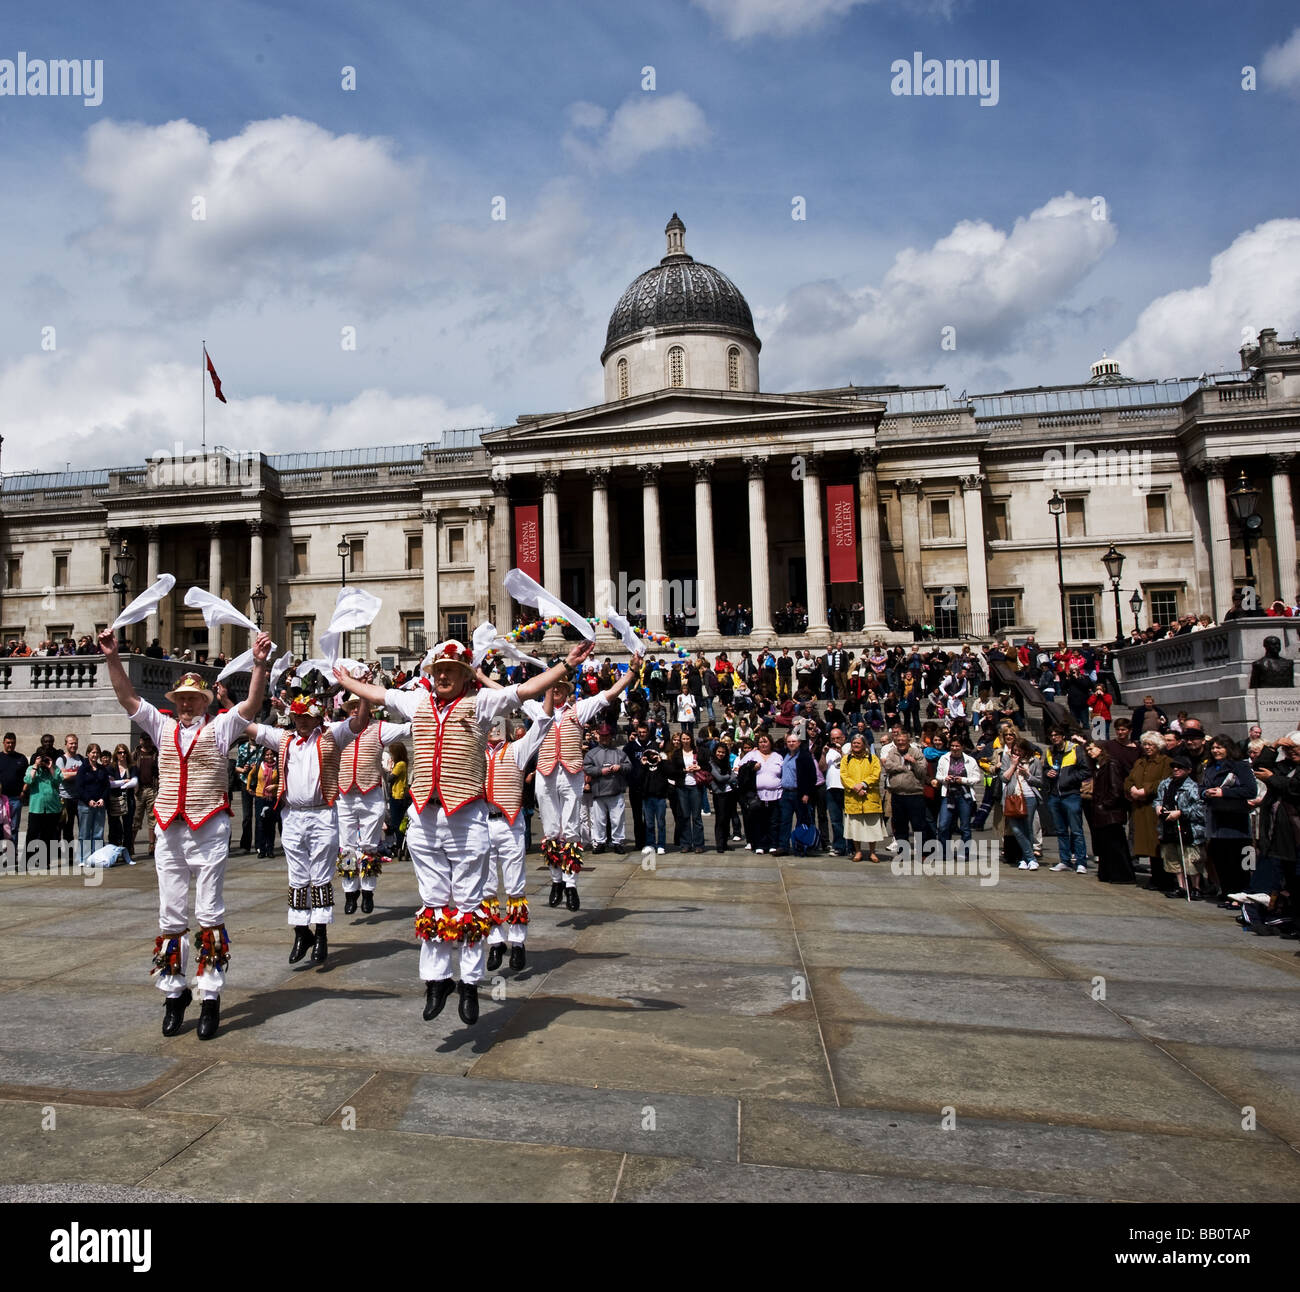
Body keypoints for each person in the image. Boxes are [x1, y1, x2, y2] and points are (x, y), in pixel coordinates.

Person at [336, 639, 593, 1026]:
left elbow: (523, 691)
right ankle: (437, 980)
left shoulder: (480, 705)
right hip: (424, 815)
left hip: (466, 816)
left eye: (451, 671)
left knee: (470, 902)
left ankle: (470, 983)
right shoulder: (417, 704)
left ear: (464, 676)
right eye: (439, 670)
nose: (442, 675)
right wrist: (348, 682)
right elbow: (380, 693)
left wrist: (564, 667)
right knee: (434, 899)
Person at [98, 626, 272, 1042]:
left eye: (194, 698)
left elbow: (251, 703)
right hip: (169, 829)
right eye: (182, 699)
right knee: (170, 912)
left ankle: (209, 996)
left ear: (205, 701)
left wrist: (260, 665)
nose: (188, 703)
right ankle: (174, 994)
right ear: (174, 703)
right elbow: (126, 698)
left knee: (210, 912)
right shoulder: (161, 727)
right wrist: (112, 657)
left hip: (209, 826)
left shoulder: (222, 727)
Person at [245, 687, 371, 966]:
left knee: (323, 873)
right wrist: (231, 701)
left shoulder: (331, 734)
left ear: (317, 718)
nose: (300, 721)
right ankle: (302, 932)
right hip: (292, 815)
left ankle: (324, 931)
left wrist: (363, 694)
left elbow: (360, 722)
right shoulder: (285, 739)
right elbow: (248, 725)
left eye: (306, 717)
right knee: (297, 876)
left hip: (324, 813)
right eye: (297, 716)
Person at [525, 657, 639, 911]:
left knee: (572, 829)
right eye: (552, 687)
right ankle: (556, 880)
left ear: (566, 692)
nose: (555, 691)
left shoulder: (579, 709)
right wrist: (480, 678)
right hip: (545, 774)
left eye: (560, 688)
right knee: (552, 830)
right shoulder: (536, 710)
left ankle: (571, 884)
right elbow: (509, 695)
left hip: (571, 773)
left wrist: (631, 672)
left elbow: (609, 694)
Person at [483, 711, 554, 974]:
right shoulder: (477, 752)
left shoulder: (518, 750)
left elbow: (541, 726)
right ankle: (494, 941)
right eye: (490, 725)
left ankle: (518, 941)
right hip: (482, 822)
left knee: (515, 884)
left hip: (510, 822)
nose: (493, 729)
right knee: (485, 887)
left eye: (498, 725)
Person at [334, 696, 411, 916]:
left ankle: (367, 891)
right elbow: (316, 726)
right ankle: (350, 892)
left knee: (369, 845)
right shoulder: (339, 729)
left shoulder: (380, 729)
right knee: (347, 847)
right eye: (352, 708)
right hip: (346, 794)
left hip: (370, 793)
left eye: (360, 707)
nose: (356, 711)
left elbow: (407, 730)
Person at [1201, 734, 1258, 908]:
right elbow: (1201, 786)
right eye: (1213, 748)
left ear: (1228, 748)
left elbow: (1250, 790)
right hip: (1216, 819)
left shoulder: (1240, 766)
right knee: (1220, 858)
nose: (1215, 750)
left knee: (1237, 860)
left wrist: (1223, 793)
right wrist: (1206, 792)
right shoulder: (1209, 767)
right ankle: (1227, 892)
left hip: (1235, 821)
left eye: (1219, 747)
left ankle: (1239, 895)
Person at [1153, 754, 1207, 899]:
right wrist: (1158, 807)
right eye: (1174, 767)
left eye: (1180, 767)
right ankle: (1181, 886)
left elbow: (1200, 810)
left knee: (1191, 859)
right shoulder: (1165, 784)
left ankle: (1196, 887)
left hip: (1188, 828)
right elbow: (1158, 799)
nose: (1176, 770)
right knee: (1173, 858)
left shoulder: (1193, 787)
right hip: (1168, 826)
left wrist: (1181, 813)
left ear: (1188, 770)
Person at [1125, 732, 1172, 890]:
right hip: (1140, 809)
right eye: (1145, 744)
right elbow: (1129, 778)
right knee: (1147, 845)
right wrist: (1131, 788)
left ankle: (1163, 878)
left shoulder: (1166, 762)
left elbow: (1165, 781)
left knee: (1157, 844)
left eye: (1151, 744)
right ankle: (1155, 877)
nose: (1147, 747)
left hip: (1154, 808)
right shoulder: (1140, 762)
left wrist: (1146, 790)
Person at [1043, 728, 1092, 873]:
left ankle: (1081, 861)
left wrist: (1069, 779)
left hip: (1071, 794)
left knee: (1076, 830)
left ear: (1063, 736)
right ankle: (1064, 860)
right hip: (1054, 795)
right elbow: (1045, 768)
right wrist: (1047, 772)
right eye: (1051, 735)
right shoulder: (1050, 751)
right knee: (1061, 830)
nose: (1053, 738)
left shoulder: (1075, 749)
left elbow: (1086, 770)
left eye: (1056, 735)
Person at [1084, 740, 1133, 883]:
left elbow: (1116, 788)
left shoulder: (1111, 764)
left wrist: (1105, 804)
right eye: (1088, 750)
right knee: (1106, 845)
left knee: (1115, 844)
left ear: (1101, 749)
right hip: (1102, 812)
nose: (1090, 752)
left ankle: (1121, 875)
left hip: (1110, 812)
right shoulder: (1098, 766)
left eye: (1092, 749)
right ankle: (1108, 873)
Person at [882, 727, 933, 854]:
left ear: (908, 741)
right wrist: (904, 767)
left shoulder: (916, 752)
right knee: (900, 826)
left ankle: (923, 852)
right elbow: (888, 766)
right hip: (897, 794)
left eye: (903, 740)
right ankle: (903, 852)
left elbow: (922, 772)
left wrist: (914, 763)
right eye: (898, 740)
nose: (900, 743)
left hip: (914, 795)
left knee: (919, 825)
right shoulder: (892, 752)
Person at [584, 722, 631, 854]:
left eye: (607, 736)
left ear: (611, 736)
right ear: (598, 736)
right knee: (599, 820)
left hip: (616, 791)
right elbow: (587, 767)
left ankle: (618, 842)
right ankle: (600, 842)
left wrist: (620, 767)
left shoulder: (619, 753)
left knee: (617, 819)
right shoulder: (592, 753)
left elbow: (629, 766)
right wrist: (600, 771)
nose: (605, 738)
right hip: (599, 792)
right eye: (602, 736)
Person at [935, 735, 982, 859]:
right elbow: (938, 776)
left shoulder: (970, 760)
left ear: (962, 747)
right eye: (952, 746)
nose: (954, 748)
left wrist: (963, 780)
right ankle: (944, 852)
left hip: (964, 795)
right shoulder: (944, 758)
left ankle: (964, 852)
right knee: (944, 825)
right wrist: (945, 778)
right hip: (948, 794)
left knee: (965, 826)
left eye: (957, 746)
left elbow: (977, 778)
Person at [840, 734, 884, 863]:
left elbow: (876, 774)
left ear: (864, 745)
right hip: (853, 798)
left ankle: (872, 852)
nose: (856, 745)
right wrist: (855, 787)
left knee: (872, 827)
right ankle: (858, 851)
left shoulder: (873, 758)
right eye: (854, 743)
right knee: (855, 827)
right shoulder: (846, 759)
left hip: (869, 797)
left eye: (858, 743)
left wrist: (863, 784)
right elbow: (844, 776)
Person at [737, 732, 784, 854]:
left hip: (775, 794)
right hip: (757, 796)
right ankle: (759, 844)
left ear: (770, 743)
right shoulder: (752, 755)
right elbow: (740, 770)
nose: (763, 744)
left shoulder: (777, 756)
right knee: (758, 821)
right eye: (761, 742)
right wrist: (751, 767)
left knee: (773, 821)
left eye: (765, 741)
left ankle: (773, 844)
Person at [1001, 739, 1043, 870]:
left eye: (1020, 750)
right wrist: (1013, 765)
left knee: (1028, 828)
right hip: (1013, 797)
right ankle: (1030, 858)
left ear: (1026, 750)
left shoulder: (1034, 761)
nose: (1017, 753)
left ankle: (1026, 859)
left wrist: (1028, 775)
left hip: (1029, 796)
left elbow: (1040, 781)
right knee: (1016, 829)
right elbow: (1003, 778)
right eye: (1015, 751)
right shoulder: (1008, 759)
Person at [776, 732, 816, 856]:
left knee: (802, 821)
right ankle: (783, 846)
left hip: (799, 793)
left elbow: (812, 777)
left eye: (794, 741)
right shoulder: (784, 755)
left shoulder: (804, 756)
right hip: (786, 793)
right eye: (789, 742)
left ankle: (800, 846)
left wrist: (807, 793)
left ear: (799, 743)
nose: (791, 744)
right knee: (785, 821)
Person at [22, 751, 62, 865]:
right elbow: (28, 780)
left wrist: (50, 767)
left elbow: (58, 781)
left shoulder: (54, 769)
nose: (44, 761)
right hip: (36, 808)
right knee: (32, 834)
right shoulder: (32, 768)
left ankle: (44, 861)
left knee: (48, 835)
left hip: (52, 808)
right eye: (42, 759)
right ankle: (26, 861)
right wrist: (35, 766)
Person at [73, 744, 110, 862]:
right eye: (93, 752)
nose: (95, 755)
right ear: (88, 754)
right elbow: (79, 787)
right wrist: (89, 800)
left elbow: (106, 786)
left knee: (98, 834)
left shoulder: (102, 769)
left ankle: (96, 858)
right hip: (85, 806)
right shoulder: (83, 769)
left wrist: (102, 798)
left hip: (99, 805)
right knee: (84, 834)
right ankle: (83, 858)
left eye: (97, 753)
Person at [107, 742, 138, 851]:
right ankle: (113, 850)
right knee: (113, 826)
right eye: (120, 752)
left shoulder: (132, 767)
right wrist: (124, 782)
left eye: (124, 752)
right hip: (114, 800)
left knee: (128, 827)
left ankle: (127, 851)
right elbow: (110, 784)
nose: (122, 754)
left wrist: (117, 783)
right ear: (116, 754)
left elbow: (134, 781)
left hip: (128, 800)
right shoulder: (111, 767)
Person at [55, 733, 84, 847]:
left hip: (79, 798)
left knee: (83, 826)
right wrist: (79, 773)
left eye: (75, 743)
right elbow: (64, 776)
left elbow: (85, 775)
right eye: (71, 743)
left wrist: (71, 773)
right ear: (66, 744)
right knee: (67, 828)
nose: (73, 745)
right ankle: (69, 855)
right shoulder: (61, 760)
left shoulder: (81, 759)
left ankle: (82, 852)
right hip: (65, 798)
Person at [0, 732, 29, 842]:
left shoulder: (21, 758)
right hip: (1, 799)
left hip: (15, 798)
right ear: (3, 743)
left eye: (12, 743)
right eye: (8, 743)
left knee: (13, 828)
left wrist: (23, 791)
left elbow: (27, 778)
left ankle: (11, 857)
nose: (10, 745)